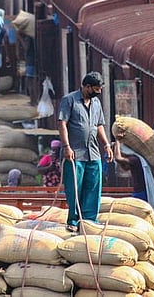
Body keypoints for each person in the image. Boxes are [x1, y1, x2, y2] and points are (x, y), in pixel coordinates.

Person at [58, 71, 114, 230]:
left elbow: (99, 126)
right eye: (96, 89)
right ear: (86, 87)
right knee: (75, 188)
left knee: (93, 187)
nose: (99, 93)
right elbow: (62, 124)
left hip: (93, 152)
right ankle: (74, 220)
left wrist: (106, 145)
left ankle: (89, 220)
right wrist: (66, 147)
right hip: (75, 153)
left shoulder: (96, 104)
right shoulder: (69, 100)